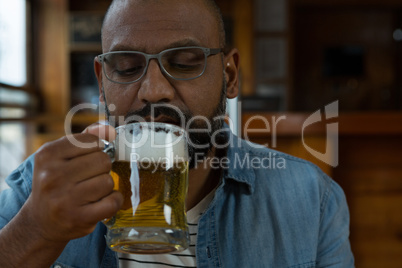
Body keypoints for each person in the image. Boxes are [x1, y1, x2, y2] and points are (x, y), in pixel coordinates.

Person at [0, 0, 354, 267]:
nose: (153, 90)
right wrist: (34, 232)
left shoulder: (313, 200)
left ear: (230, 76)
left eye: (185, 63)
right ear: (102, 83)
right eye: (127, 67)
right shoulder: (38, 189)